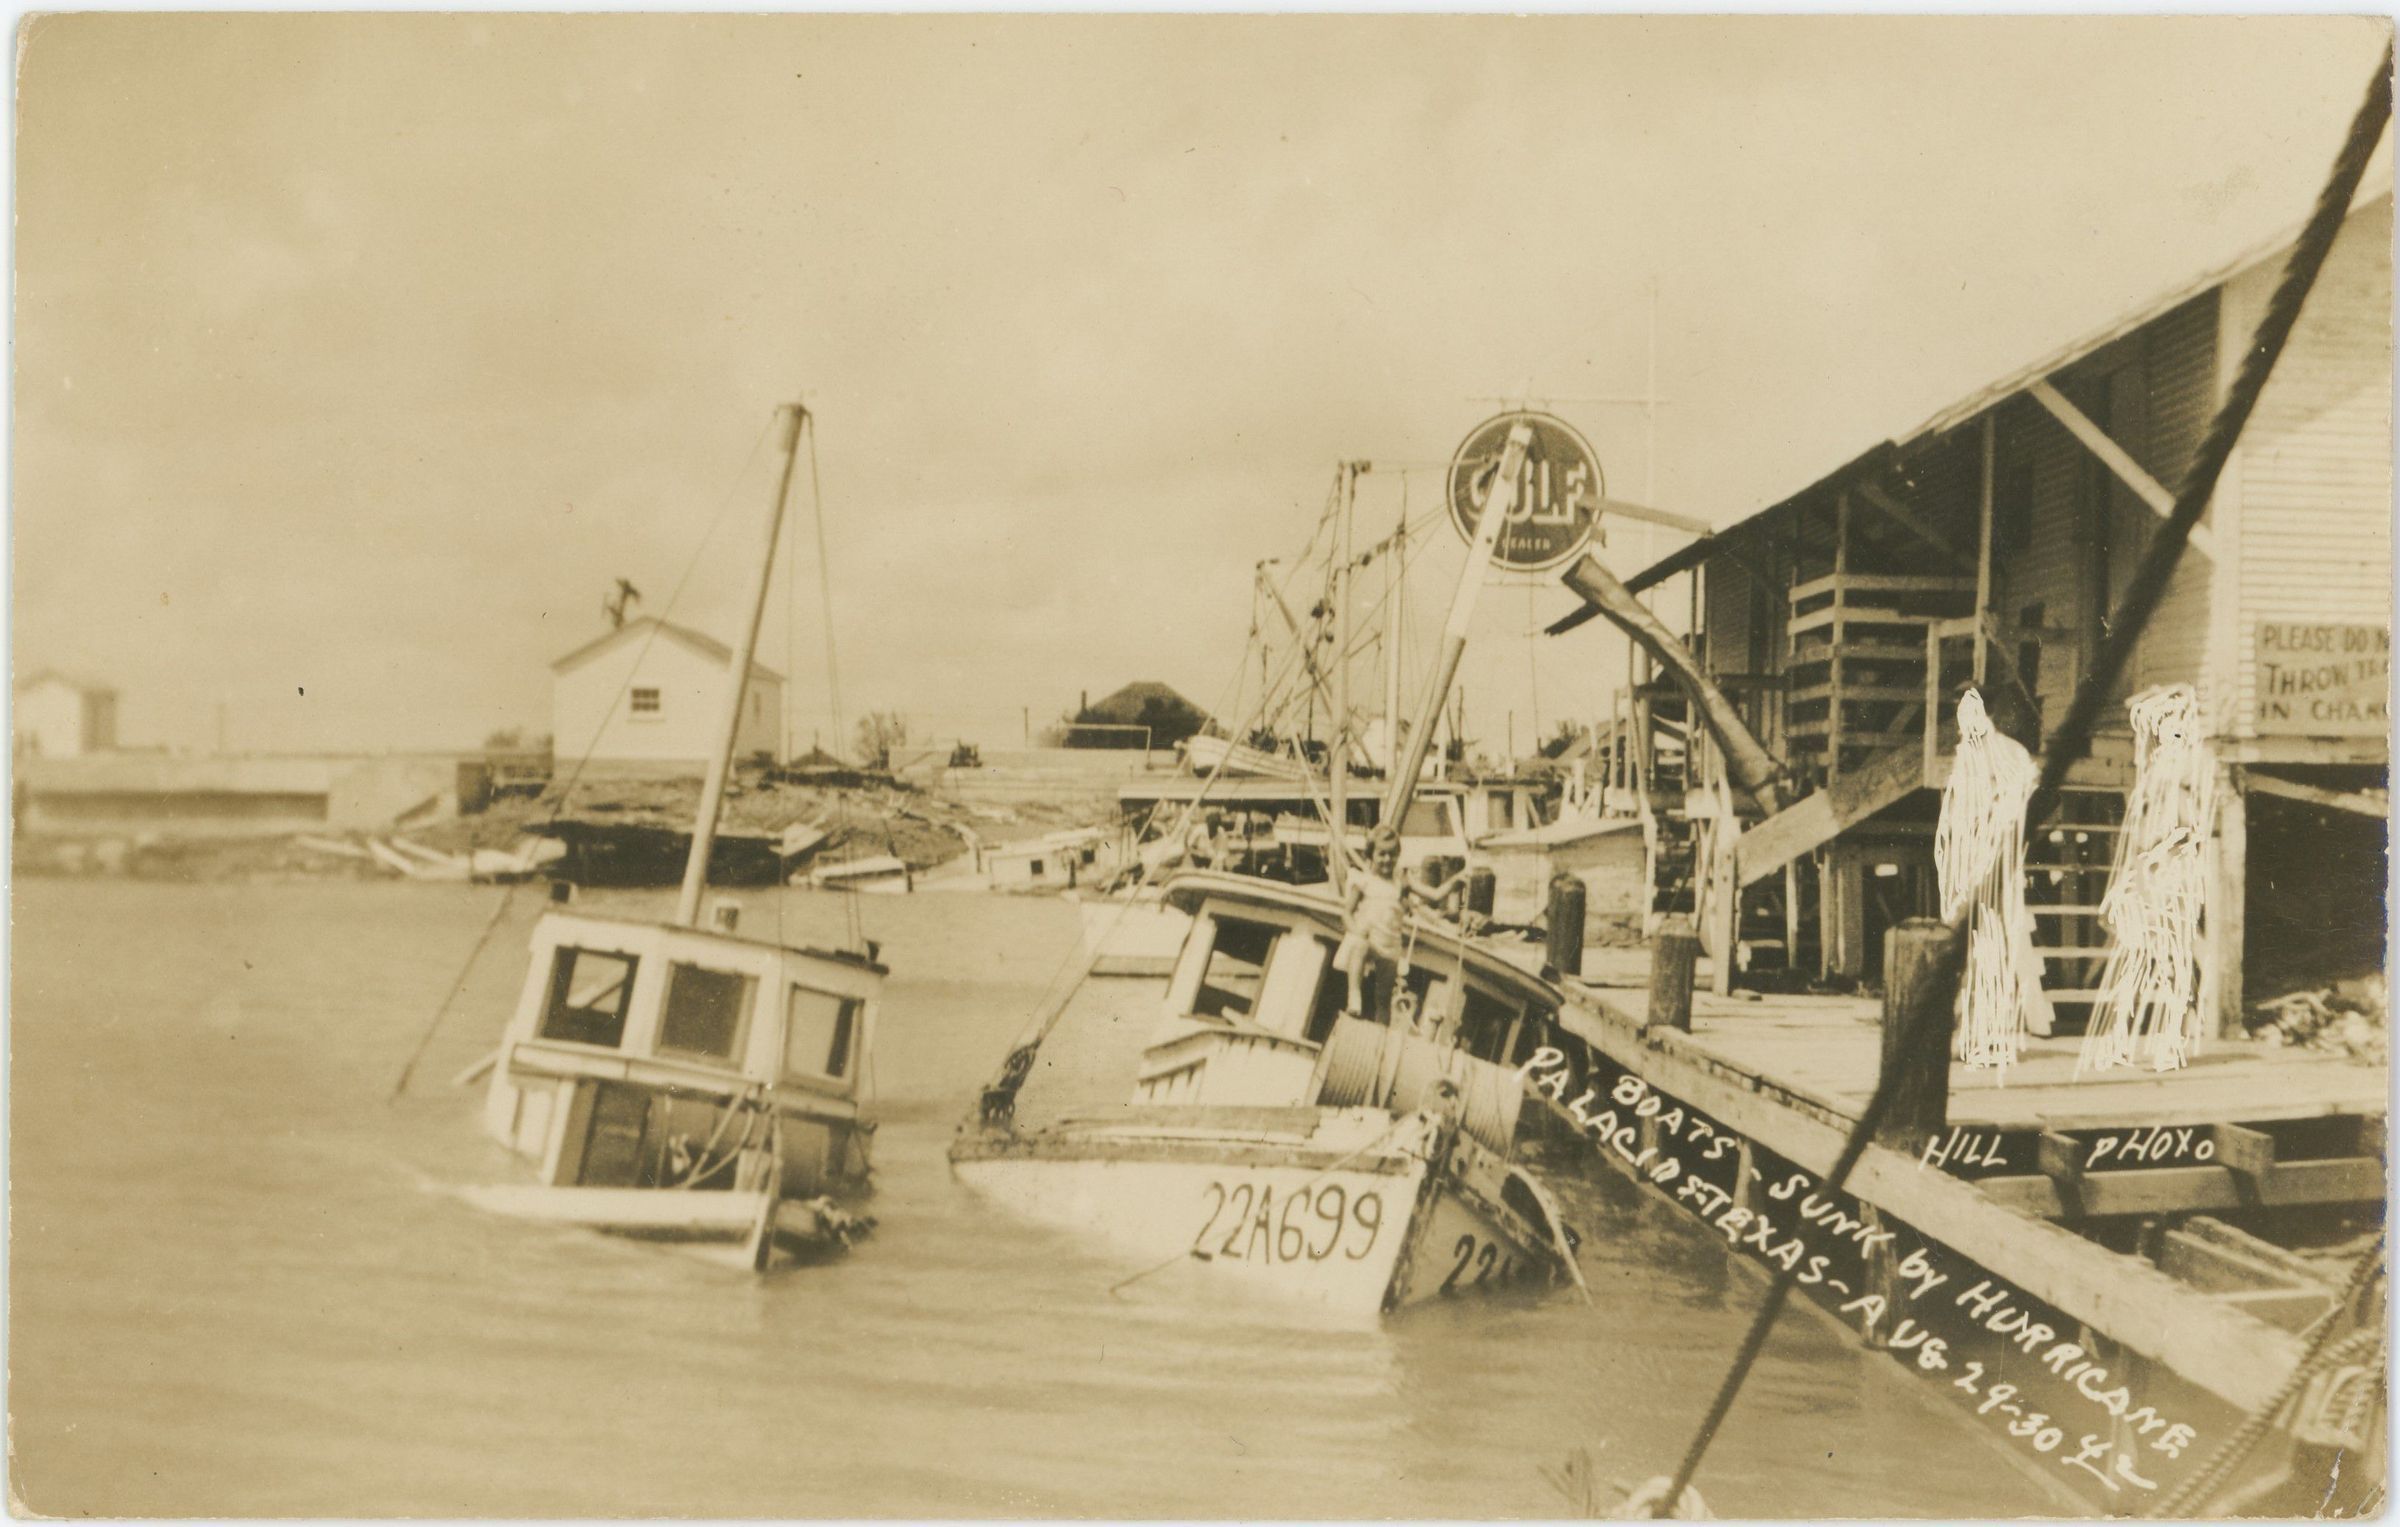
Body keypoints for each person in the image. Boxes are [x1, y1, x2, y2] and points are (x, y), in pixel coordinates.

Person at [1338, 828, 1467, 1024]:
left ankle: (1382, 1031)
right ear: (1371, 854)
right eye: (1382, 854)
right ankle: (1354, 996)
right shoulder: (1363, 881)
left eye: (1392, 854)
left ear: (1398, 854)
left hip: (1390, 946)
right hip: (1368, 940)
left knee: (1383, 997)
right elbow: (1346, 913)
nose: (1387, 859)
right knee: (1359, 946)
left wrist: (1455, 882)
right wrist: (1356, 932)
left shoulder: (1402, 882)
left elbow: (1435, 895)